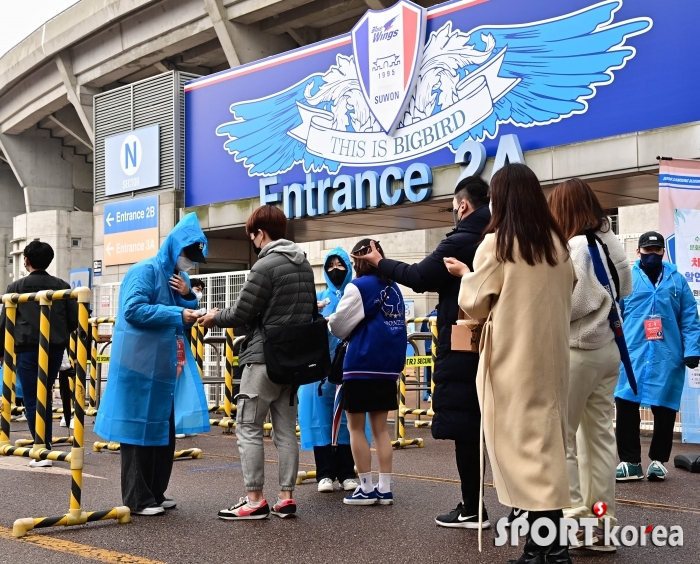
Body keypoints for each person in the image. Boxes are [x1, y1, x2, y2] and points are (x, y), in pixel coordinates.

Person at [445, 163, 575, 564]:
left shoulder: (498, 243)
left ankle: (540, 548)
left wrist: (466, 274)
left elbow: (474, 300)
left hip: (511, 360)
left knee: (520, 452)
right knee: (546, 448)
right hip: (551, 358)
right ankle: (554, 546)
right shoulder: (557, 244)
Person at [353, 176, 491, 527]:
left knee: (466, 427)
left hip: (464, 344)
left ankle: (473, 507)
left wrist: (380, 261)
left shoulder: (461, 240)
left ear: (462, 206)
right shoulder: (498, 237)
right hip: (499, 340)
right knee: (495, 427)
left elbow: (418, 276)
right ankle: (520, 511)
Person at [200, 205, 316, 520]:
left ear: (259, 234)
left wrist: (213, 316)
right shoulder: (303, 265)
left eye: (252, 236)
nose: (253, 242)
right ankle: (286, 497)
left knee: (248, 426)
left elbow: (241, 313)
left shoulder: (265, 266)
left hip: (263, 360)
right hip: (292, 363)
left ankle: (254, 499)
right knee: (285, 431)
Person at [94, 213, 208, 516]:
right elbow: (133, 310)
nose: (188, 262)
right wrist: (178, 314)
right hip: (138, 364)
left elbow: (182, 308)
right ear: (174, 248)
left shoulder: (178, 277)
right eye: (187, 254)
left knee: (162, 430)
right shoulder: (144, 271)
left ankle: (155, 492)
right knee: (136, 432)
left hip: (163, 365)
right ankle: (137, 498)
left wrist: (189, 297)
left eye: (193, 258)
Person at [548, 178, 632, 550]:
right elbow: (624, 288)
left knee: (562, 439)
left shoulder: (576, 247)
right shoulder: (611, 241)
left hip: (578, 350)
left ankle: (576, 521)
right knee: (599, 440)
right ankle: (603, 524)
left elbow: (574, 304)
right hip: (610, 349)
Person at [614, 231, 700, 482]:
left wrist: (693, 350)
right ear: (638, 251)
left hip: (667, 353)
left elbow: (689, 319)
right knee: (626, 404)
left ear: (663, 251)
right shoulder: (627, 279)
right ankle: (630, 462)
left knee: (665, 408)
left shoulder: (677, 280)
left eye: (656, 250)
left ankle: (658, 461)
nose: (652, 254)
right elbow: (615, 315)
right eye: (647, 250)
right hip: (633, 353)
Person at [328, 239, 406, 506]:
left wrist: (329, 322)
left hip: (361, 365)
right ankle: (384, 488)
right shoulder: (393, 287)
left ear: (358, 262)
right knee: (381, 429)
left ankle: (365, 487)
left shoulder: (359, 286)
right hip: (387, 367)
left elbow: (339, 326)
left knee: (355, 427)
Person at [0, 241, 78, 468]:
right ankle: (44, 445)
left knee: (32, 398)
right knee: (44, 393)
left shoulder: (15, 286)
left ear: (26, 260)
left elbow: (6, 322)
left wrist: (2, 350)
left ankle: (41, 447)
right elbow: (73, 319)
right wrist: (59, 334)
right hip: (54, 347)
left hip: (26, 348)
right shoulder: (61, 285)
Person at [298, 248, 360, 493]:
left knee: (348, 421)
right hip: (320, 371)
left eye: (340, 264)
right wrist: (312, 312)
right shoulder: (318, 298)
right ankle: (324, 472)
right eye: (331, 265)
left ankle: (346, 472)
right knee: (320, 420)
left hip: (349, 368)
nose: (335, 270)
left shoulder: (355, 295)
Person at [420, 308, 437, 402]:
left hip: (428, 348)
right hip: (438, 347)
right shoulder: (441, 315)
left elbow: (422, 331)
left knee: (429, 371)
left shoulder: (427, 317)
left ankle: (429, 393)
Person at [59, 349, 75, 429]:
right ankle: (67, 416)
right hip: (65, 361)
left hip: (76, 356)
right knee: (65, 392)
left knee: (76, 390)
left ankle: (73, 416)